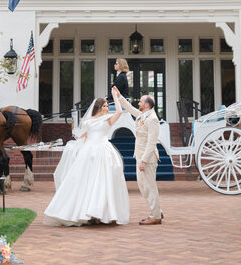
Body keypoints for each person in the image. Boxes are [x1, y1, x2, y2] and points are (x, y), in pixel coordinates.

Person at [43, 90, 129, 226]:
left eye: (107, 106)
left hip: (104, 151)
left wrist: (115, 98)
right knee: (84, 182)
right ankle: (82, 213)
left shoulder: (108, 119)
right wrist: (73, 147)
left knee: (102, 183)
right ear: (98, 107)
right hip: (88, 152)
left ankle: (100, 214)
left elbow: (119, 112)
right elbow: (84, 136)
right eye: (105, 106)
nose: (107, 108)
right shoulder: (88, 121)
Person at [113, 86, 162, 225]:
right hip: (139, 156)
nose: (138, 104)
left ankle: (155, 215)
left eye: (140, 102)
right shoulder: (143, 115)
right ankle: (157, 210)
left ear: (146, 105)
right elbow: (129, 108)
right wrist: (119, 96)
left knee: (149, 186)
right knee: (143, 186)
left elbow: (152, 143)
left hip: (148, 158)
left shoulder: (152, 119)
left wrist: (144, 161)